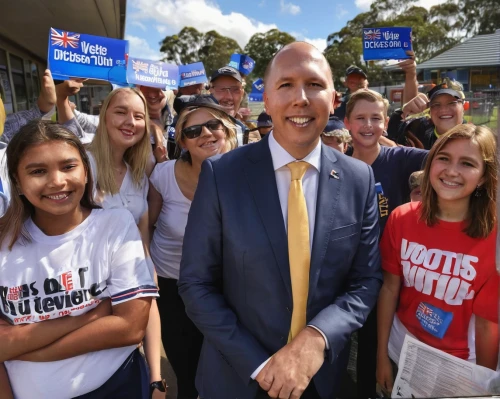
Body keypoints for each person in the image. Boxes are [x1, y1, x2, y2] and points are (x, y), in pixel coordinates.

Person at [178, 41, 382, 399]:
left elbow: (364, 281)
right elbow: (196, 285)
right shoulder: (222, 175)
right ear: (267, 100)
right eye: (285, 84)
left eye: (315, 85)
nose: (301, 98)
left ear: (335, 100)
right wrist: (262, 367)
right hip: (239, 379)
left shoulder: (359, 179)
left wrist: (316, 340)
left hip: (321, 380)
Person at [0, 120, 157, 398]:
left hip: (116, 386)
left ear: (86, 172)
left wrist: (25, 348)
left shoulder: (115, 225)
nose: (57, 181)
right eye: (37, 171)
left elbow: (130, 328)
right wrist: (89, 317)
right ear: (17, 182)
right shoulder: (3, 240)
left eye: (68, 166)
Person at [57, 87, 167, 398]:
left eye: (139, 115)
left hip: (121, 324)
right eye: (121, 112)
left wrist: (156, 378)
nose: (130, 121)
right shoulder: (78, 165)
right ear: (103, 116)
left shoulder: (138, 175)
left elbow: (146, 277)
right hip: (78, 307)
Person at [377, 124, 499, 396]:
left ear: (482, 177)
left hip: (459, 369)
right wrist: (381, 354)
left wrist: (484, 385)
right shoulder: (401, 218)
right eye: (444, 158)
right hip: (401, 351)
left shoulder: (494, 238)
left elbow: (487, 323)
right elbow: (389, 288)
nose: (452, 171)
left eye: (467, 163)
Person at [148, 95, 238, 399]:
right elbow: (147, 226)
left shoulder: (245, 175)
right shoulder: (163, 175)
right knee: (187, 371)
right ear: (182, 142)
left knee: (226, 367)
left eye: (213, 125)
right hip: (173, 288)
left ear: (225, 129)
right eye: (193, 131)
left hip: (226, 288)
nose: (206, 134)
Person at [343, 89, 428, 398]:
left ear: (385, 123)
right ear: (347, 123)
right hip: (348, 277)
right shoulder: (334, 165)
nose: (368, 126)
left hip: (391, 278)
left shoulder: (399, 157)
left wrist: (445, 120)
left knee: (376, 348)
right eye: (360, 118)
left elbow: (452, 157)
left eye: (376, 118)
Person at [390, 81, 466, 149]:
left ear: (463, 105)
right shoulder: (418, 132)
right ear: (429, 109)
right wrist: (404, 111)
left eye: (452, 103)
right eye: (436, 104)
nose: (443, 110)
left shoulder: (473, 140)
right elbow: (393, 131)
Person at [208, 66, 248, 146]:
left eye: (235, 89)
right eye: (221, 89)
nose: (229, 96)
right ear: (211, 92)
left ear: (242, 94)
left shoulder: (241, 129)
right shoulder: (199, 129)